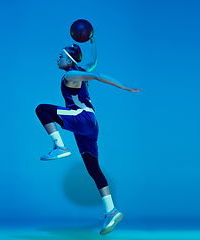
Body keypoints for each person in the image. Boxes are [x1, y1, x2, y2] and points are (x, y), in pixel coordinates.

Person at [35, 36, 141, 235]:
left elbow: (99, 74)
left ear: (69, 60)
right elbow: (93, 64)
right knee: (93, 169)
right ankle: (111, 211)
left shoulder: (71, 75)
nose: (57, 59)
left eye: (61, 56)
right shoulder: (80, 71)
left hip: (80, 118)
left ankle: (60, 146)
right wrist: (92, 42)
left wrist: (124, 87)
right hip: (91, 125)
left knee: (41, 109)